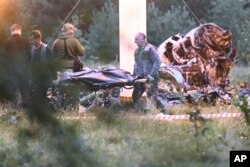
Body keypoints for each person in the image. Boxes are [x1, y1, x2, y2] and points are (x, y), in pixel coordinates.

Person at [52, 23, 85, 111]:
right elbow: (82, 53)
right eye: (73, 30)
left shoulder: (56, 42)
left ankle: (59, 110)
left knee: (60, 92)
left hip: (59, 71)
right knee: (74, 92)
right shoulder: (74, 41)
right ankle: (74, 111)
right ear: (69, 30)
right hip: (72, 71)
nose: (74, 31)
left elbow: (53, 57)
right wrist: (81, 47)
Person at [132, 32, 161, 113]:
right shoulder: (137, 51)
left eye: (137, 39)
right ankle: (139, 114)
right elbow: (136, 64)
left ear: (143, 39)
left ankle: (161, 112)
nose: (135, 41)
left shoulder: (150, 49)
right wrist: (134, 75)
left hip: (150, 78)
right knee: (135, 96)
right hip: (140, 78)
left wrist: (152, 74)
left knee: (152, 98)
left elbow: (157, 62)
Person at [4, 23, 30, 108]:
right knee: (25, 91)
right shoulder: (26, 42)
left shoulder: (7, 42)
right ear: (20, 31)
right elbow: (30, 57)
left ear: (11, 31)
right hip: (24, 71)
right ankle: (26, 111)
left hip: (11, 71)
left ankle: (15, 111)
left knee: (14, 92)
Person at [28, 30, 56, 101]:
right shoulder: (31, 50)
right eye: (30, 40)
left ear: (38, 38)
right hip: (34, 79)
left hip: (45, 79)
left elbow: (51, 64)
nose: (30, 42)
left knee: (42, 97)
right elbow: (28, 63)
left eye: (32, 39)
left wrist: (54, 78)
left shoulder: (47, 49)